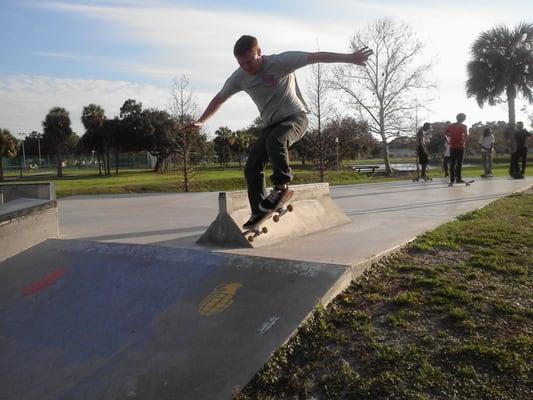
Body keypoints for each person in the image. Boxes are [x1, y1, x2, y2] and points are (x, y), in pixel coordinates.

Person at [190, 35, 372, 228]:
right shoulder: (239, 77)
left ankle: (281, 187)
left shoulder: (281, 61)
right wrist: (201, 121)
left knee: (276, 141)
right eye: (241, 63)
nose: (246, 67)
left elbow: (316, 57)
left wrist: (350, 58)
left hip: (296, 118)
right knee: (251, 166)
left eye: (249, 61)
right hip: (270, 125)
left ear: (259, 52)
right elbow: (219, 98)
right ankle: (258, 210)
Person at [445, 113, 468, 186]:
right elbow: (466, 135)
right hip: (460, 147)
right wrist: (463, 142)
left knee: (452, 163)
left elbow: (445, 134)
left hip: (453, 147)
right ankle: (458, 178)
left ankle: (452, 179)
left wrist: (448, 141)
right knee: (459, 163)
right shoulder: (464, 126)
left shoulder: (451, 126)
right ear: (464, 119)